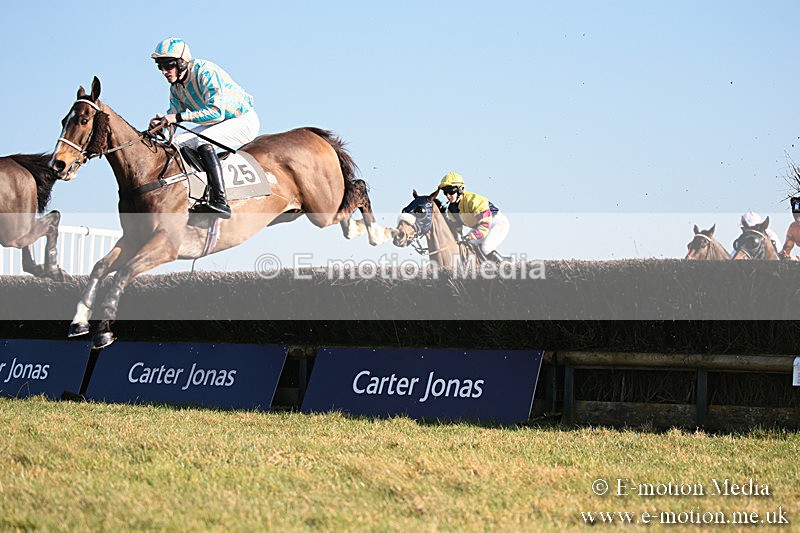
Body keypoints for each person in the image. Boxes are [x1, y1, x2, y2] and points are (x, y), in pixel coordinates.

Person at [148, 37, 260, 219]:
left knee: (202, 141)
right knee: (175, 143)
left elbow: (216, 112)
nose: (164, 71)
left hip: (242, 120)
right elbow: (173, 121)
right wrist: (160, 128)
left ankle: (220, 200)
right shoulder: (176, 88)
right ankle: (196, 194)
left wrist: (176, 117)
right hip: (218, 124)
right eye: (160, 67)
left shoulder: (204, 71)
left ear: (182, 62)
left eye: (168, 66)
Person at [437, 172, 510, 263]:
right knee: (468, 248)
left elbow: (484, 227)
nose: (448, 196)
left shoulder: (474, 201)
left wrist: (470, 236)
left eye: (451, 191)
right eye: (445, 192)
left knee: (486, 248)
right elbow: (457, 230)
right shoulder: (451, 210)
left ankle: (508, 266)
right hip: (479, 227)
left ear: (460, 189)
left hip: (496, 222)